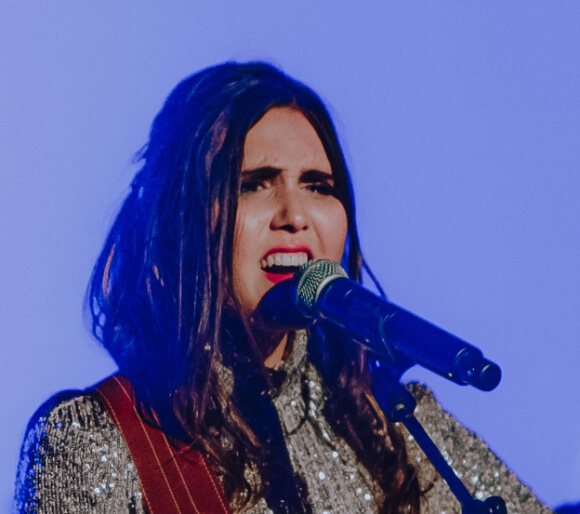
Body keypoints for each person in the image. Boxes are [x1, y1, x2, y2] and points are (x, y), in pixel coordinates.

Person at [14, 62, 552, 514]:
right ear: (178, 220)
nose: (295, 215)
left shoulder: (389, 419)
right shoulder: (97, 439)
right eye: (254, 184)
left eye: (318, 186)